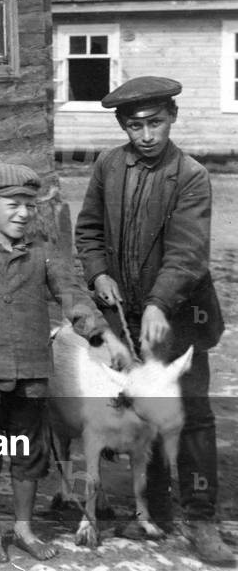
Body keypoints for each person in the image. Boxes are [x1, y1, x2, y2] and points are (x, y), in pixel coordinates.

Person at [75, 76, 234, 566]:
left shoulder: (189, 175)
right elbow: (89, 229)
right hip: (123, 310)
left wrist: (161, 303)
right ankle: (157, 512)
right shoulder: (107, 164)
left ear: (172, 119)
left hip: (181, 314)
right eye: (135, 126)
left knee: (191, 417)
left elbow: (187, 253)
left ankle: (203, 521)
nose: (146, 135)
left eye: (155, 123)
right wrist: (99, 272)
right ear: (124, 126)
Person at [0, 163, 110, 563]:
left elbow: (72, 297)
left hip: (34, 377)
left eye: (29, 206)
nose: (22, 213)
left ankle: (23, 527)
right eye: (12, 204)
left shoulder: (44, 256)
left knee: (30, 455)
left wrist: (100, 336)